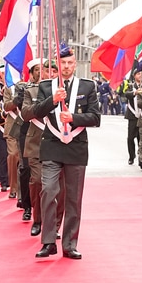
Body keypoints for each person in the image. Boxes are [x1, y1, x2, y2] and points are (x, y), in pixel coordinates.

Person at [32, 44, 101, 260]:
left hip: (76, 146)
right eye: (64, 63)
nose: (68, 66)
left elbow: (96, 118)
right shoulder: (46, 86)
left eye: (71, 63)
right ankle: (49, 241)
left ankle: (70, 244)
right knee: (49, 191)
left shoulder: (87, 87)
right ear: (58, 65)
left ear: (76, 65)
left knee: (73, 198)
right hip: (52, 144)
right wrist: (52, 100)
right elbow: (34, 113)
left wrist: (74, 118)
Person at [21, 60, 64, 237]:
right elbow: (25, 114)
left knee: (59, 188)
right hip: (36, 144)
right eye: (46, 70)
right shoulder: (30, 91)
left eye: (54, 70)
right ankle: (38, 220)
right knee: (38, 182)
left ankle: (54, 225)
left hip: (58, 144)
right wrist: (48, 101)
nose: (49, 73)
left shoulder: (64, 91)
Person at [123, 71, 142, 166]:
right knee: (131, 137)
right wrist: (135, 92)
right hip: (132, 115)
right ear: (134, 76)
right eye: (138, 74)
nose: (140, 76)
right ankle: (131, 156)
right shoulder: (131, 85)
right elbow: (126, 94)